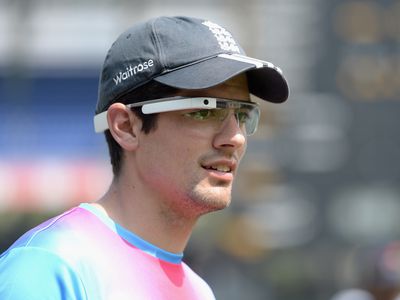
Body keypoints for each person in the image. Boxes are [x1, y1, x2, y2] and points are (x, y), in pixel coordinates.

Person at [0, 16, 289, 299]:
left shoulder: (200, 291)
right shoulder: (50, 266)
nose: (235, 137)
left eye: (242, 114)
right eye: (205, 110)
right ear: (126, 126)